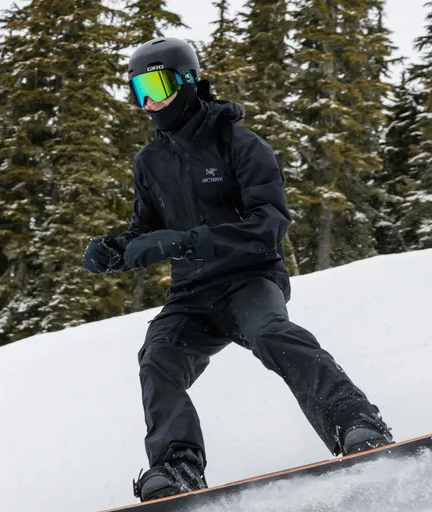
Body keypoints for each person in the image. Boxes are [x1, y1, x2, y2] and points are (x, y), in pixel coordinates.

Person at [82, 37, 393, 502]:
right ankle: (179, 467)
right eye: (139, 91)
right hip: (192, 295)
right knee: (159, 358)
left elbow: (270, 224)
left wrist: (189, 241)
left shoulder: (239, 144)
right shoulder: (150, 162)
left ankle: (357, 423)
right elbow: (145, 229)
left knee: (271, 333)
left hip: (250, 278)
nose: (151, 102)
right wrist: (115, 249)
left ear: (187, 82)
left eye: (158, 87)